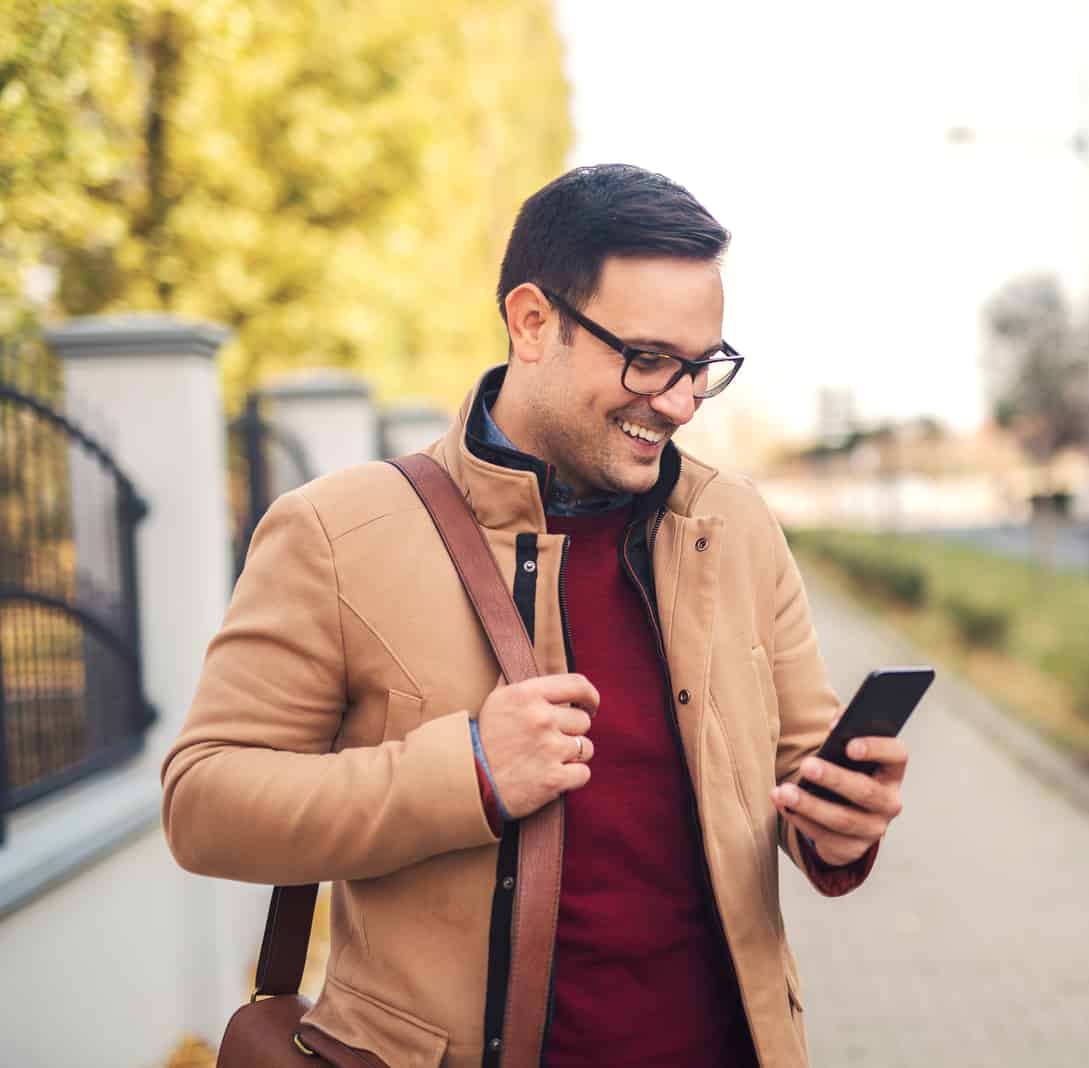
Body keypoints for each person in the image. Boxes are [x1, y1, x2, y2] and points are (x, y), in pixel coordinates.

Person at [161, 164, 910, 1068]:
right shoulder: (335, 534)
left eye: (702, 368)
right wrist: (469, 772)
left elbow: (798, 768)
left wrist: (840, 820)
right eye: (645, 359)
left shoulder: (738, 527)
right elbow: (204, 804)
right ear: (532, 322)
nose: (676, 402)